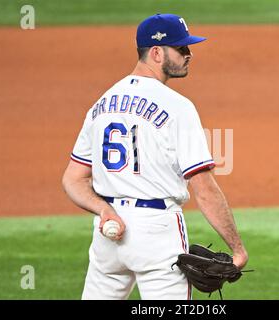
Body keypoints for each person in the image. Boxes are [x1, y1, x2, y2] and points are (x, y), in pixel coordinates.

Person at [62, 13, 248, 300]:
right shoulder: (178, 107)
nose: (189, 54)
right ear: (157, 52)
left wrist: (104, 210)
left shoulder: (101, 104)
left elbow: (73, 179)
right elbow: (203, 187)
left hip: (108, 235)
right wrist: (237, 249)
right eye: (182, 48)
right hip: (157, 232)